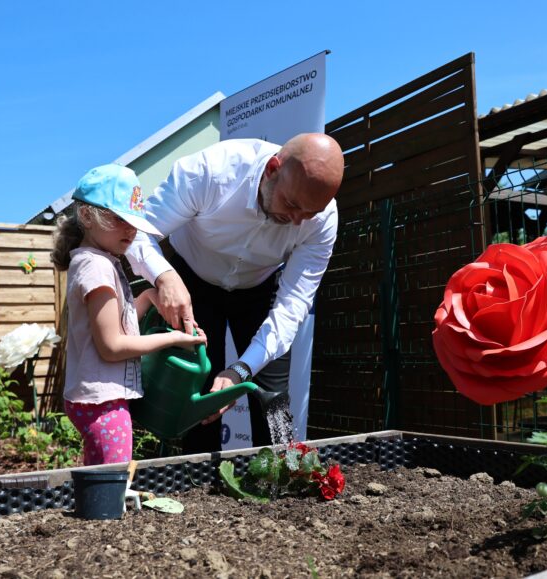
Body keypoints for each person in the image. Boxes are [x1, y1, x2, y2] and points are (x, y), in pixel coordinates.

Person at [126, 133, 344, 453]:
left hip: (259, 288)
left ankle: (281, 477)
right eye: (292, 204)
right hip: (192, 280)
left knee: (273, 399)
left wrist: (241, 371)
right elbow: (138, 233)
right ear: (272, 169)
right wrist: (164, 278)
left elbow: (293, 305)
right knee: (200, 393)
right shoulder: (209, 172)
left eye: (309, 213)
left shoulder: (323, 219)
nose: (298, 221)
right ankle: (199, 485)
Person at [51, 164, 207, 465]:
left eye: (133, 221)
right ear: (87, 216)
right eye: (120, 219)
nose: (131, 229)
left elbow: (110, 323)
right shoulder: (96, 266)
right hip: (103, 402)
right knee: (113, 484)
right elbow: (112, 347)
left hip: (94, 397)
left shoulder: (96, 260)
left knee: (99, 482)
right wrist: (171, 338)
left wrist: (147, 298)